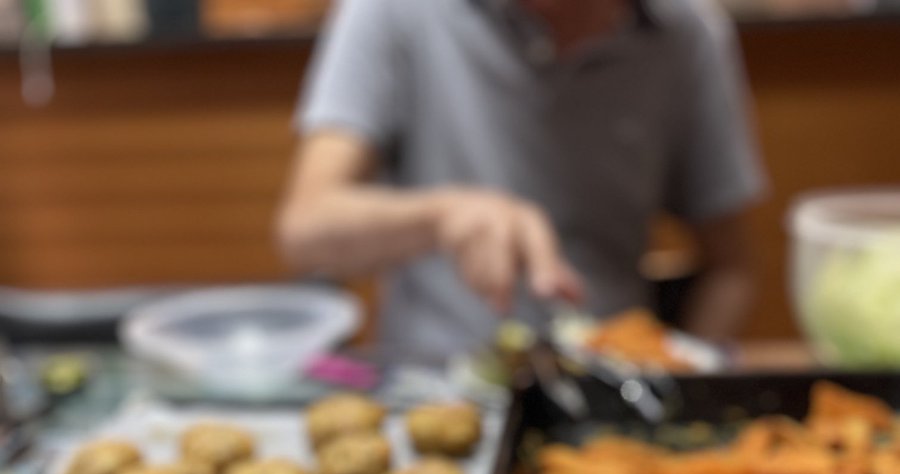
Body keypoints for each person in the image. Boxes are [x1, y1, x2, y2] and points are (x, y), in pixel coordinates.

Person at [276, 0, 766, 360]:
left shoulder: (685, 33)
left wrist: (683, 371)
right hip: (433, 385)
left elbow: (731, 270)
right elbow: (305, 230)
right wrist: (444, 215)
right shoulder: (394, 12)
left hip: (611, 381)